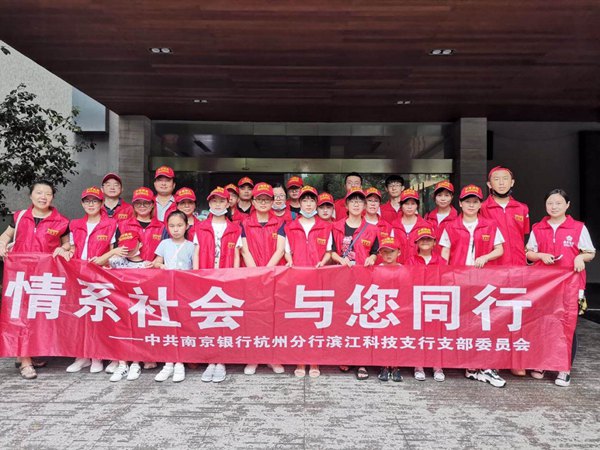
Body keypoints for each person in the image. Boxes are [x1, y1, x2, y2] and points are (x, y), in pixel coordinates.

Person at [0, 179, 71, 379]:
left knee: (37, 316)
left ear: (53, 197)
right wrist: (2, 244)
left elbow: (68, 244)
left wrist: (63, 248)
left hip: (44, 277)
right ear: (31, 195)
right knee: (20, 315)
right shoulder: (20, 216)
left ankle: (27, 353)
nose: (43, 197)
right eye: (39, 192)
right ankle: (25, 361)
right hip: (19, 276)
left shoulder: (61, 221)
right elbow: (5, 236)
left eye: (47, 193)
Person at [525, 189, 595, 387]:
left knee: (566, 325)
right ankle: (542, 363)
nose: (554, 207)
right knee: (543, 323)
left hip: (570, 284)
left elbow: (590, 252)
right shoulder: (538, 227)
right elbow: (529, 253)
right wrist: (540, 256)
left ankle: (564, 368)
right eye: (550, 203)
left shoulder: (578, 228)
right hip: (544, 285)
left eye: (558, 203)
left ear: (567, 205)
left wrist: (580, 257)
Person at [439, 184, 506, 388]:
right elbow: (444, 252)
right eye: (467, 201)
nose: (471, 205)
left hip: (483, 281)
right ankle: (469, 366)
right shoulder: (451, 226)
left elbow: (500, 249)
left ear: (480, 204)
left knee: (483, 322)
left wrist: (485, 257)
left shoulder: (490, 225)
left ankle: (484, 365)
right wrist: (445, 275)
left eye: (475, 202)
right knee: (463, 322)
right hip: (459, 281)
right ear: (460, 203)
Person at [480, 166, 530, 376]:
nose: (501, 183)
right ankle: (495, 358)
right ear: (489, 184)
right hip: (493, 268)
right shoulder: (482, 208)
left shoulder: (522, 208)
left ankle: (516, 359)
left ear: (512, 182)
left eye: (505, 179)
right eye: (496, 179)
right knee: (493, 313)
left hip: (517, 268)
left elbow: (523, 235)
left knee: (517, 313)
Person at [66, 187, 118, 374]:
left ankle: (97, 356)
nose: (91, 204)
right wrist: (65, 250)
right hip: (78, 275)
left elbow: (114, 251)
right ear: (82, 204)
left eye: (95, 201)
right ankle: (82, 356)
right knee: (80, 317)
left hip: (100, 276)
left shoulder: (111, 224)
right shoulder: (75, 224)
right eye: (87, 201)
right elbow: (73, 248)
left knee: (98, 317)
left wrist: (105, 262)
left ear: (102, 203)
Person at [193, 186, 241, 383]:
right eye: (214, 201)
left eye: (222, 201)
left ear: (228, 203)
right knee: (208, 320)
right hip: (206, 278)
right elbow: (196, 252)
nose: (218, 204)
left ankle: (221, 361)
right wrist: (196, 276)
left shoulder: (235, 228)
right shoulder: (200, 227)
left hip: (226, 279)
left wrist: (235, 277)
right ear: (209, 203)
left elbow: (236, 254)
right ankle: (210, 360)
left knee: (224, 320)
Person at [331, 187, 379, 380]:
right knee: (344, 318)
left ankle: (362, 361)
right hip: (341, 280)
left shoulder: (372, 229)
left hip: (363, 281)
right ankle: (346, 356)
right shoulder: (336, 226)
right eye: (353, 201)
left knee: (361, 319)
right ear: (347, 205)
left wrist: (372, 258)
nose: (357, 204)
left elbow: (376, 252)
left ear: (365, 205)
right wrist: (340, 259)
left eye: (360, 201)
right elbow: (331, 251)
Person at [284, 185, 332, 378]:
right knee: (299, 321)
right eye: (305, 200)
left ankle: (314, 361)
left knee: (317, 320)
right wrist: (290, 261)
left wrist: (323, 262)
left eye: (312, 201)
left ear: (316, 204)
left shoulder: (325, 226)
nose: (308, 204)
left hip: (318, 280)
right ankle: (300, 360)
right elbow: (286, 250)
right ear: (300, 203)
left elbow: (329, 251)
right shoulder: (291, 226)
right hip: (296, 279)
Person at [94, 231, 155, 382]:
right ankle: (122, 364)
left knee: (137, 332)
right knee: (121, 332)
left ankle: (135, 363)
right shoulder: (117, 261)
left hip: (138, 306)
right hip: (119, 305)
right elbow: (95, 264)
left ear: (140, 245)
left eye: (132, 247)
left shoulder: (146, 265)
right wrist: (113, 251)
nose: (128, 251)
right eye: (125, 248)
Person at [240, 182, 286, 375]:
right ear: (253, 201)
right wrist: (256, 273)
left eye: (267, 199)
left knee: (274, 318)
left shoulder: (280, 223)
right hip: (252, 277)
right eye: (259, 199)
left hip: (274, 276)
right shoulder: (244, 224)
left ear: (272, 201)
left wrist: (267, 272)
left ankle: (272, 358)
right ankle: (254, 358)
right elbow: (244, 250)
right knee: (253, 318)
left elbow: (280, 250)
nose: (263, 202)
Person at [152, 210, 199, 383]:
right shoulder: (164, 243)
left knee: (182, 325)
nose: (176, 229)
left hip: (184, 291)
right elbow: (156, 262)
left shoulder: (192, 245)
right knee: (168, 325)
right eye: (172, 226)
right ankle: (168, 363)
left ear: (187, 226)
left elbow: (195, 268)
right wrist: (161, 266)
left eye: (179, 225)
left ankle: (180, 363)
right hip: (166, 290)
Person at [405, 227, 446, 382]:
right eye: (422, 239)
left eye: (428, 239)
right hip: (416, 302)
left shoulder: (441, 261)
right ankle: (418, 366)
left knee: (435, 334)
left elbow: (446, 280)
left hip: (436, 302)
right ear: (416, 243)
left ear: (435, 242)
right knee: (418, 334)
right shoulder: (411, 261)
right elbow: (406, 280)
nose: (425, 242)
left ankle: (437, 366)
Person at [376, 237, 404, 383]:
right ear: (380, 253)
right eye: (385, 252)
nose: (388, 255)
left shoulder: (403, 269)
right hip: (382, 308)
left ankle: (396, 366)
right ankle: (384, 365)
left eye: (391, 251)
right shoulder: (377, 269)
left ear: (399, 252)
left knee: (396, 337)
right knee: (383, 337)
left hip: (398, 309)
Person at [118, 187, 166, 263]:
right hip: (128, 269)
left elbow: (165, 251)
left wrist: (154, 264)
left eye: (146, 203)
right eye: (138, 203)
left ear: (153, 204)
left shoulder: (162, 227)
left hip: (154, 268)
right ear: (133, 205)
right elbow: (116, 251)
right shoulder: (122, 225)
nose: (142, 206)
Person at [391, 189, 431, 264]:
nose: (409, 207)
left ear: (417, 205)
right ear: (401, 205)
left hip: (418, 267)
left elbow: (430, 251)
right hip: (398, 267)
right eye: (406, 204)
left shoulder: (425, 226)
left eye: (413, 204)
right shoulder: (393, 225)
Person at [424, 180, 458, 245]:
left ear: (452, 197)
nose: (443, 199)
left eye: (446, 195)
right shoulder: (428, 217)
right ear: (434, 197)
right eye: (439, 195)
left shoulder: (458, 217)